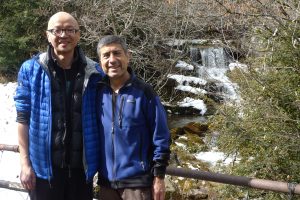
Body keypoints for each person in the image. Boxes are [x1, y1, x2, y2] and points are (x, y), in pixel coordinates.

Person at [14, 11, 103, 200]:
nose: (64, 35)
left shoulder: (95, 73)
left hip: (82, 173)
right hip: (44, 172)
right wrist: (25, 165)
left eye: (70, 30)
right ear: (47, 35)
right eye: (57, 30)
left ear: (79, 35)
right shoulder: (31, 69)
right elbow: (23, 117)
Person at [95, 35, 171, 200]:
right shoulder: (97, 92)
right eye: (106, 55)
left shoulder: (144, 92)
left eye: (117, 53)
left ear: (128, 56)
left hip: (138, 185)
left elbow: (161, 137)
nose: (112, 60)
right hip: (106, 184)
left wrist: (159, 177)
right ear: (100, 61)